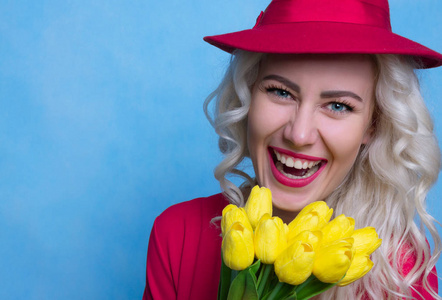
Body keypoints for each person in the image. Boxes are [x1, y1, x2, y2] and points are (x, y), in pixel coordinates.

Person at [143, 0, 442, 299]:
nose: (299, 134)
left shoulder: (399, 271)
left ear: (372, 125)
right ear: (248, 96)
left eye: (338, 106)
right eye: (280, 92)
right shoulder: (178, 235)